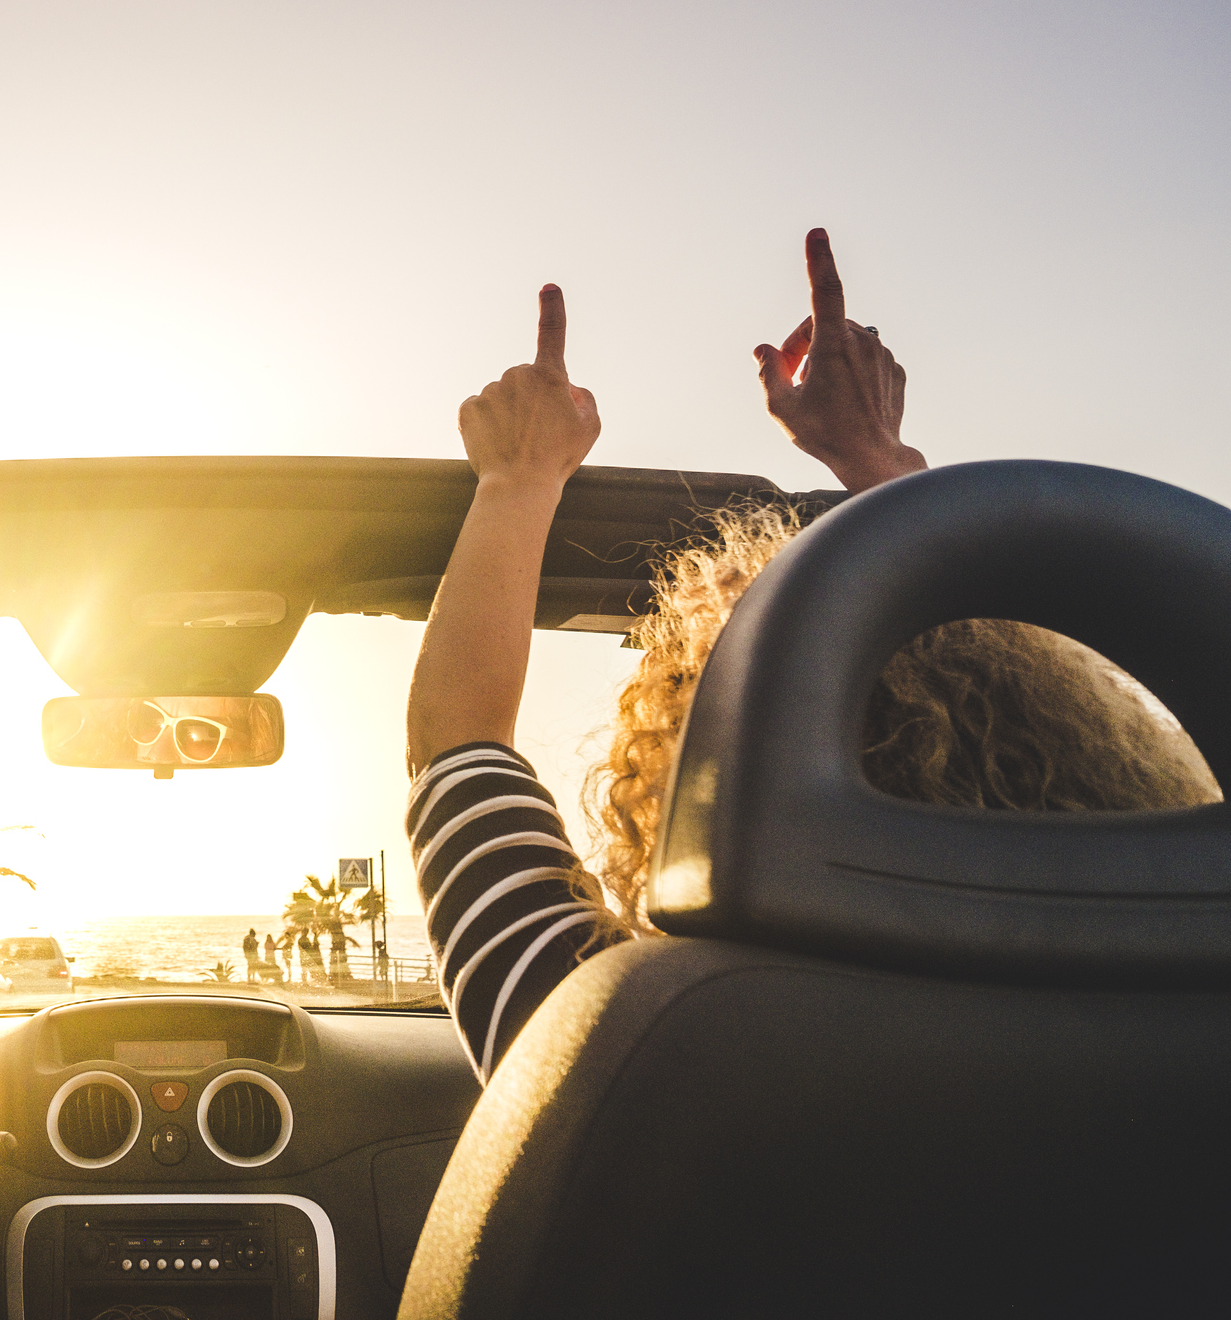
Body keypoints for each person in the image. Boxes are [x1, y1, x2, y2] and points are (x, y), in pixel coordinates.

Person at [404, 229, 1222, 1082]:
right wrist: (878, 458)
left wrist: (518, 479)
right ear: (1079, 738)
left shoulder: (611, 1045)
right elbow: (454, 751)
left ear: (697, 774)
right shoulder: (1194, 1035)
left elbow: (453, 743)